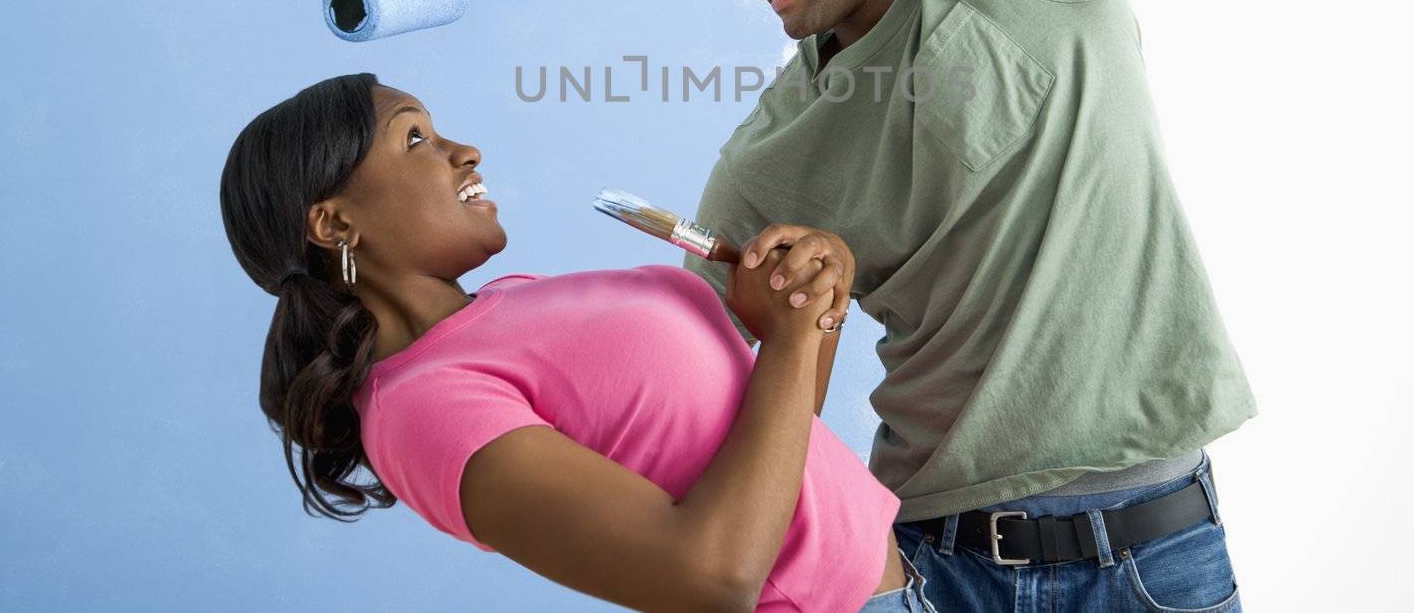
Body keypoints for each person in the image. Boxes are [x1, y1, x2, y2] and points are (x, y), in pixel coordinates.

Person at [492, 0, 1255, 610]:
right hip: (932, 565)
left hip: (1158, 544)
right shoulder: (775, 151)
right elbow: (728, 419)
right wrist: (788, 330)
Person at [218, 74, 941, 613]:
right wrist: (785, 343)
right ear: (334, 224)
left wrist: (811, 309)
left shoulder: (506, 304)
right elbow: (711, 577)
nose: (464, 151)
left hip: (917, 581)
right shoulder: (421, 408)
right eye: (415, 138)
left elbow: (782, 457)